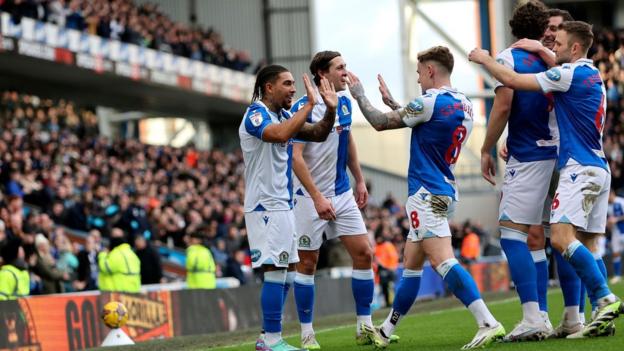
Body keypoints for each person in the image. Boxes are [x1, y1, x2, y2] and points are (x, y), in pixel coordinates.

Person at [469, 20, 624, 339]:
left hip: (577, 169)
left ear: (576, 48)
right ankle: (590, 317)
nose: (553, 46)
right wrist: (541, 49)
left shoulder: (569, 75)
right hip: (600, 167)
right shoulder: (594, 76)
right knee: (588, 245)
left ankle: (604, 297)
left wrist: (483, 58)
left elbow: (511, 81)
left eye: (560, 42)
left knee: (562, 239)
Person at [348, 46, 505, 349]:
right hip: (445, 188)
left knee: (443, 261)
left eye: (420, 73)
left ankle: (488, 322)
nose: (419, 80)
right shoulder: (464, 103)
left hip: (426, 192)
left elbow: (381, 123)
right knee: (412, 264)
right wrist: (395, 103)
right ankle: (384, 330)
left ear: (431, 71)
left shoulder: (428, 101)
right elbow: (427, 121)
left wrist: (359, 95)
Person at [289, 51, 393, 349]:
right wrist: (317, 196)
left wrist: (359, 179)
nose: (346, 72)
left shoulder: (345, 103)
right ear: (323, 74)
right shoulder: (303, 108)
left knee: (364, 254)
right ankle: (307, 334)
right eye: (340, 68)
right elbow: (295, 158)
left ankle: (364, 327)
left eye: (346, 66)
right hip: (309, 198)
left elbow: (348, 142)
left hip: (343, 193)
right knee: (307, 263)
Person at [239, 64, 338, 351]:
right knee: (275, 269)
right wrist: (308, 104)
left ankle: (265, 336)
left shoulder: (283, 115)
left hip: (283, 204)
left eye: (294, 84)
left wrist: (328, 109)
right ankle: (271, 340)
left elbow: (318, 133)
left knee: (287, 270)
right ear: (269, 87)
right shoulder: (256, 113)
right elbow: (280, 135)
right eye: (287, 83)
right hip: (265, 206)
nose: (293, 88)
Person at [479, 1, 554, 340]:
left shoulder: (508, 58)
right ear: (543, 29)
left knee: (512, 235)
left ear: (513, 28)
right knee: (543, 238)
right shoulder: (554, 59)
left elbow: (505, 103)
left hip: (528, 156)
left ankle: (532, 317)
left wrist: (486, 147)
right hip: (559, 155)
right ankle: (556, 316)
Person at [99, 227, 141, 293]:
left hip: (117, 293)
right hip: (133, 293)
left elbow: (105, 267)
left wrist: (102, 254)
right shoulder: (132, 254)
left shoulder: (116, 253)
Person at [608, 190, 624, 284]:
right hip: (615, 232)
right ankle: (617, 275)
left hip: (623, 230)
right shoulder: (607, 206)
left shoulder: (621, 201)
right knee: (615, 253)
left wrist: (616, 219)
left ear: (612, 194)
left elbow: (616, 218)